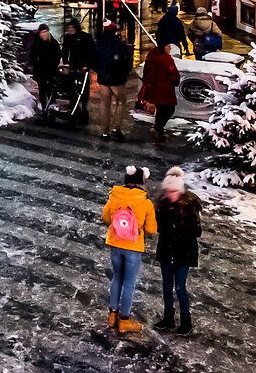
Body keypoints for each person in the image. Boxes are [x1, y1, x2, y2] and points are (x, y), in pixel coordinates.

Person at [102, 164, 157, 334]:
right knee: (129, 283)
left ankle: (112, 315)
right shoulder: (146, 202)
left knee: (117, 277)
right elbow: (151, 229)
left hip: (115, 243)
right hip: (133, 246)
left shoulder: (115, 196)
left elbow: (105, 218)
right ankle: (124, 320)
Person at [153, 166, 201, 335]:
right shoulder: (162, 205)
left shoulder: (190, 206)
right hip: (166, 251)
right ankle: (168, 318)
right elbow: (158, 227)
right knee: (167, 287)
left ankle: (186, 321)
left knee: (180, 287)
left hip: (183, 254)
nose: (169, 194)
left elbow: (197, 232)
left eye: (172, 191)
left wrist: (181, 225)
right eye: (167, 191)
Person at [91, 20, 133, 142]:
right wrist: (124, 74)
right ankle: (116, 129)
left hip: (103, 78)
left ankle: (104, 132)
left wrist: (100, 70)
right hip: (117, 79)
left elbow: (93, 60)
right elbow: (127, 62)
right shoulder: (120, 45)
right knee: (122, 102)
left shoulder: (99, 44)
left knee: (105, 104)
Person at [138, 43, 181, 142]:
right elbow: (173, 74)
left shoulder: (151, 56)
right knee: (169, 109)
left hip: (153, 87)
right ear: (163, 47)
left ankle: (159, 132)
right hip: (164, 89)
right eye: (167, 46)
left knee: (161, 109)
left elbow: (146, 71)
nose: (170, 48)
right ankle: (157, 128)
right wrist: (175, 81)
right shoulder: (167, 59)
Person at [27, 23, 62, 113]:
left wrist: (53, 66)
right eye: (42, 32)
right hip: (40, 71)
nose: (44, 34)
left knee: (51, 90)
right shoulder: (36, 43)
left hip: (51, 71)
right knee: (42, 90)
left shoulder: (53, 43)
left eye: (45, 32)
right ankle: (44, 108)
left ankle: (51, 107)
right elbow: (32, 57)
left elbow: (58, 56)